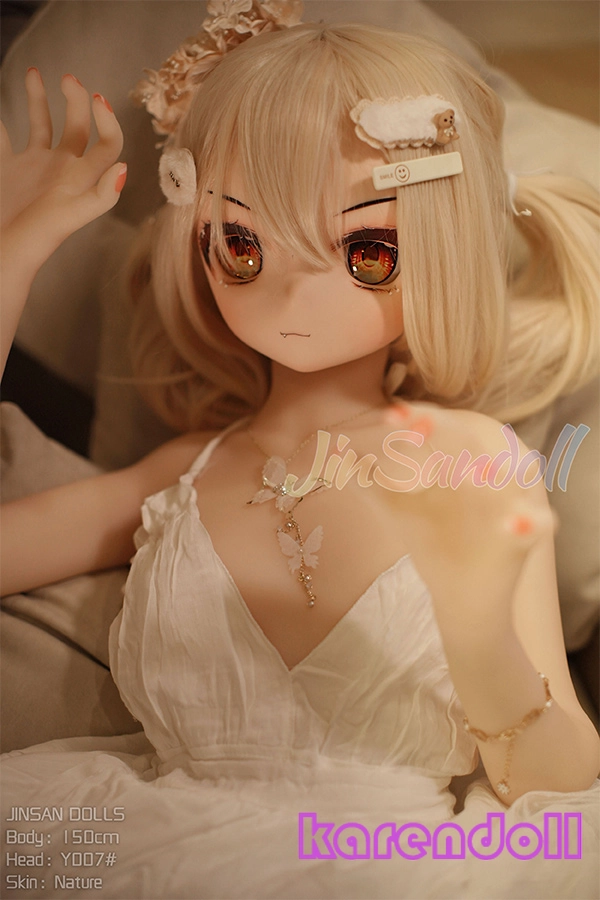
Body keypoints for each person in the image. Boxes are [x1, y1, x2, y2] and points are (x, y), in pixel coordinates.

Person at [0, 4, 598, 898]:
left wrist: (479, 633)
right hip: (139, 845)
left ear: (439, 248)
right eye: (243, 245)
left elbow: (558, 779)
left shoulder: (476, 462)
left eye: (367, 252)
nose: (291, 289)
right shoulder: (185, 472)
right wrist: (15, 252)